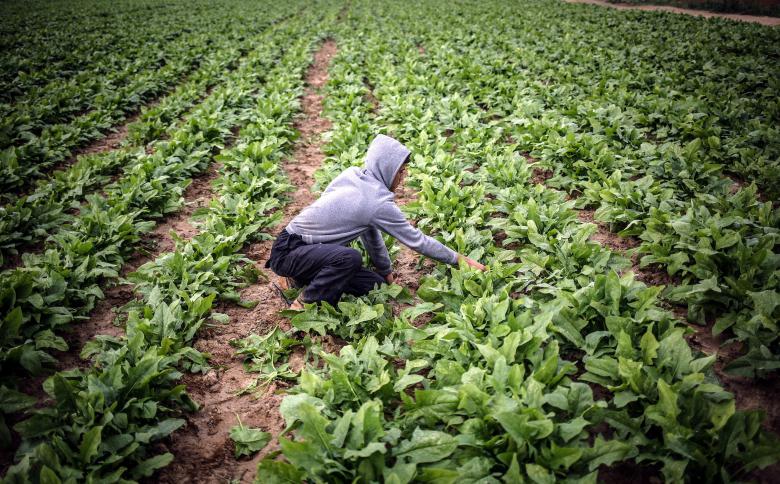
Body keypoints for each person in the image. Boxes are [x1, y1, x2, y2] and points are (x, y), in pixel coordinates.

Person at [265, 134, 485, 309]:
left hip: (306, 250)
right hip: (290, 250)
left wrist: (385, 272)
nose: (403, 178)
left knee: (374, 285)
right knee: (349, 258)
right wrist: (460, 260)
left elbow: (370, 233)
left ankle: (302, 278)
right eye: (401, 171)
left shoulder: (353, 174)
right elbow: (419, 241)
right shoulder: (377, 202)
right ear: (387, 169)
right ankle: (303, 304)